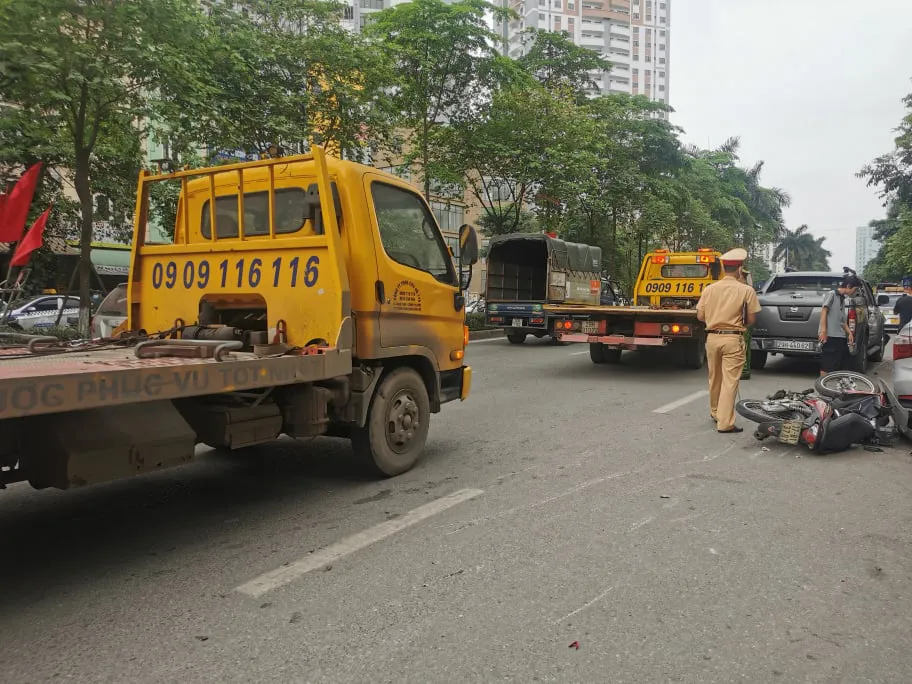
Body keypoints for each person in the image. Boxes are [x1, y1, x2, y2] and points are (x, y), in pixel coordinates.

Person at [696, 248, 762, 434]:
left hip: (712, 338)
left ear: (724, 268)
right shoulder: (746, 291)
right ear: (740, 269)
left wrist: (715, 319)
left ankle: (716, 412)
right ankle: (725, 423)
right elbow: (751, 320)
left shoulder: (709, 289)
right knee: (730, 381)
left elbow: (700, 316)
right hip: (733, 338)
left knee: (714, 378)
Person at [818, 273, 860, 377]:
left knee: (842, 363)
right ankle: (822, 387)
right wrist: (823, 331)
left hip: (840, 336)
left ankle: (835, 387)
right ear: (848, 286)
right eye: (854, 289)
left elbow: (842, 320)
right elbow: (824, 311)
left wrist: (849, 333)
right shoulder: (831, 294)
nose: (855, 292)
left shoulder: (842, 300)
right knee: (827, 365)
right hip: (830, 335)